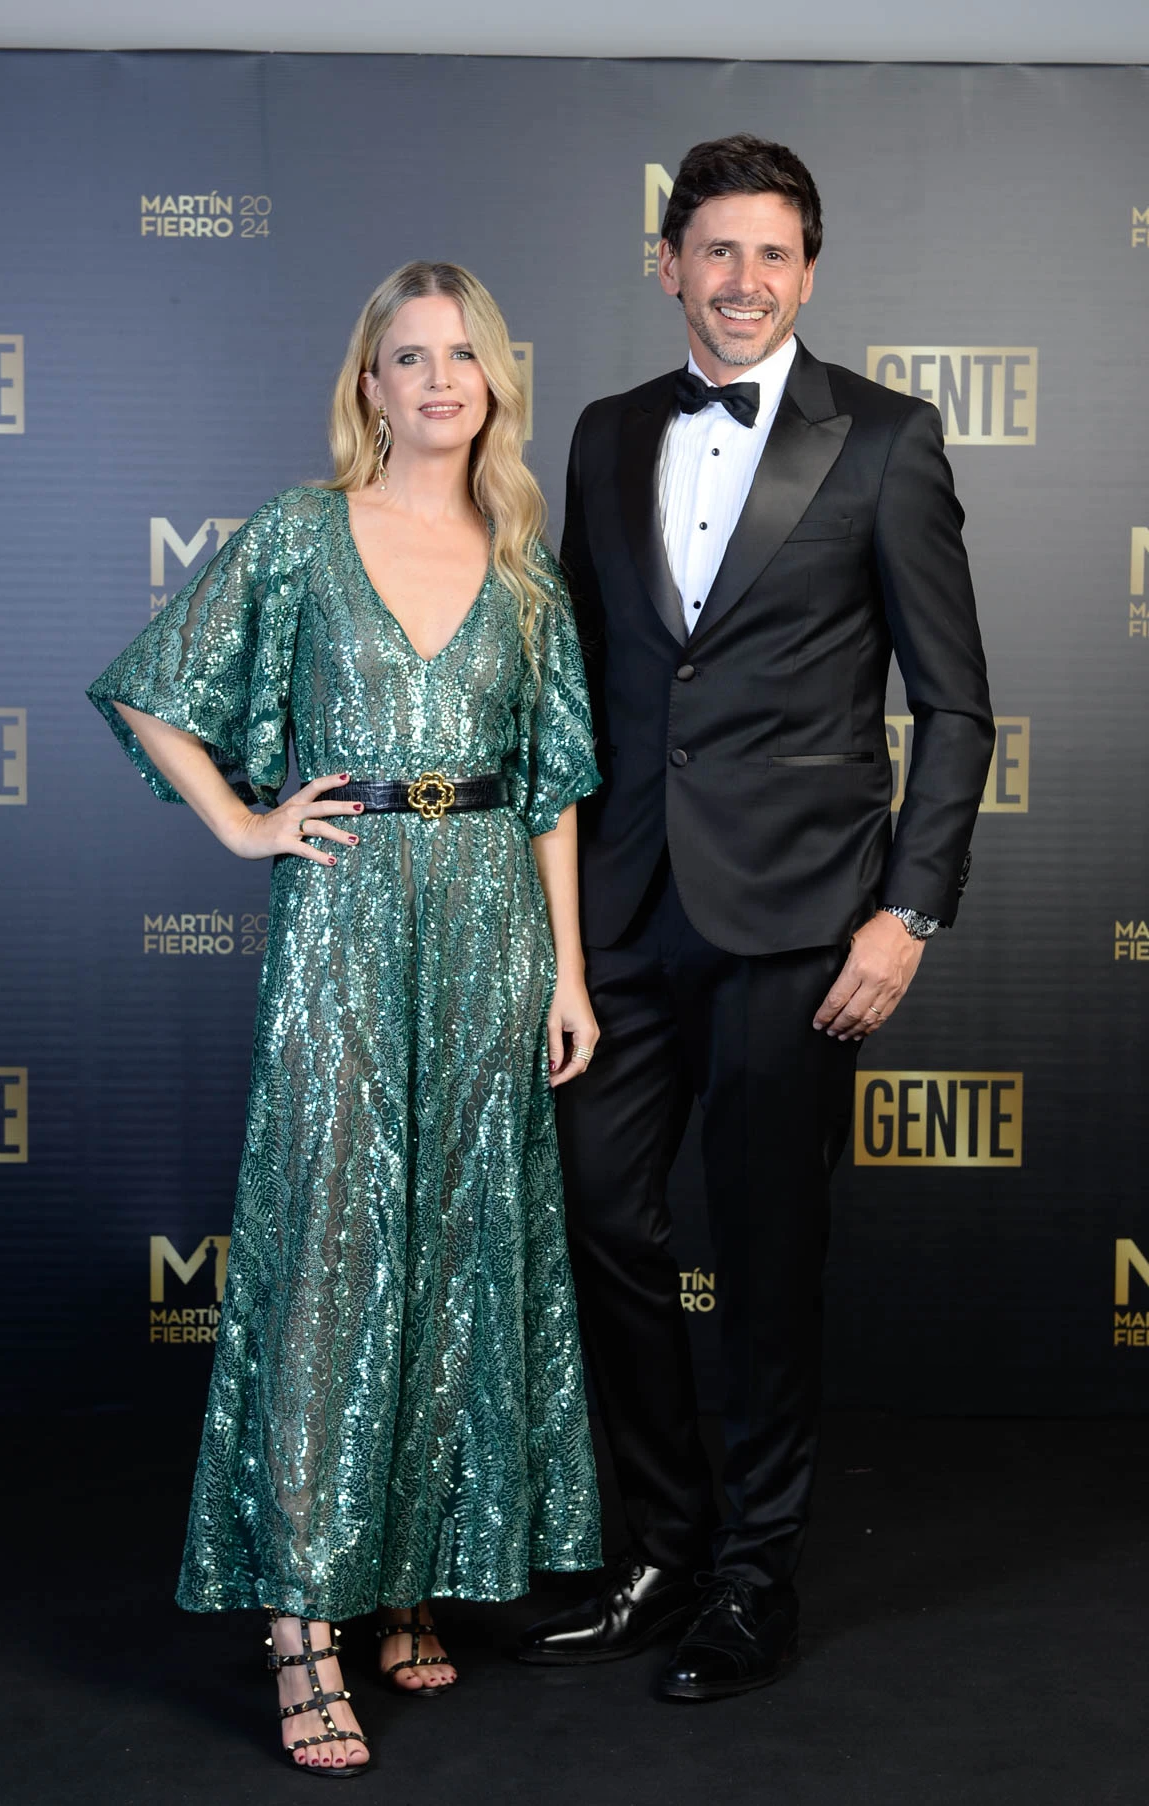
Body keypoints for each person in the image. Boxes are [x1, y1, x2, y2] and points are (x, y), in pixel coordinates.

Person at [88, 261, 603, 1773]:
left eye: (463, 355)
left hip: (492, 923)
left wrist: (568, 972)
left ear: (495, 381)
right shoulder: (301, 535)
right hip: (346, 919)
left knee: (456, 1244)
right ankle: (303, 1616)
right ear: (367, 384)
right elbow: (151, 692)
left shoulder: (524, 560)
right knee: (329, 1251)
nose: (439, 379)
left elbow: (554, 788)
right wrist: (247, 825)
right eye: (409, 356)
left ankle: (406, 1575)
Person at [517, 134, 995, 1701]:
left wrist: (907, 912)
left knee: (772, 1254)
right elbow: (580, 684)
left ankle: (754, 1575)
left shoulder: (890, 440)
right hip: (622, 911)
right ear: (667, 263)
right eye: (715, 250)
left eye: (772, 253)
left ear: (810, 270)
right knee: (604, 1217)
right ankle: (665, 1542)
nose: (742, 281)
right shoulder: (604, 432)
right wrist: (558, 921)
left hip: (799, 923)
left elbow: (955, 708)